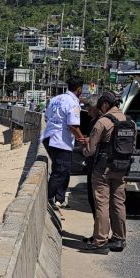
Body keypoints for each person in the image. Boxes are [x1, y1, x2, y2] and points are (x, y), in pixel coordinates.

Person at [82, 92, 131, 254]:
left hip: (103, 170)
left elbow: (90, 150)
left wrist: (84, 149)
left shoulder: (102, 122)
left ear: (104, 105)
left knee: (102, 204)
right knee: (118, 203)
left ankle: (100, 242)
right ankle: (119, 239)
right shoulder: (129, 121)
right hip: (121, 168)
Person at [42, 76, 87, 207]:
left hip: (49, 137)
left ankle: (59, 199)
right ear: (79, 89)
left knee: (64, 170)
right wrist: (82, 140)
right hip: (61, 141)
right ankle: (48, 199)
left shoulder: (55, 99)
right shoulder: (73, 103)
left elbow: (46, 117)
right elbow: (73, 126)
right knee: (60, 171)